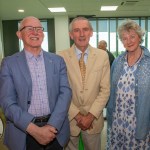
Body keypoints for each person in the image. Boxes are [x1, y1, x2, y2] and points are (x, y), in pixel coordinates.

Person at [0, 16, 72, 150]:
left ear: (43, 34)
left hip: (55, 129)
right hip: (23, 132)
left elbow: (65, 93)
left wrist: (52, 126)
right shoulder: (9, 63)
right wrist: (34, 130)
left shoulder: (58, 61)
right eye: (29, 29)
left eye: (39, 29)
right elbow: (7, 102)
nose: (35, 32)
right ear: (19, 34)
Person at [58, 17, 110, 150]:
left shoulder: (102, 56)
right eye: (76, 30)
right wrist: (77, 115)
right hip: (70, 119)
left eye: (85, 29)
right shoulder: (60, 57)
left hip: (94, 120)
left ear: (91, 32)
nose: (81, 34)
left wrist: (90, 116)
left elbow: (105, 90)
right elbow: (60, 91)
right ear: (71, 34)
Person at [106, 19, 150, 149]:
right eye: (124, 38)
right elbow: (110, 90)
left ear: (140, 37)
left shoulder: (148, 62)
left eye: (132, 36)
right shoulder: (117, 61)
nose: (129, 41)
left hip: (139, 122)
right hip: (117, 121)